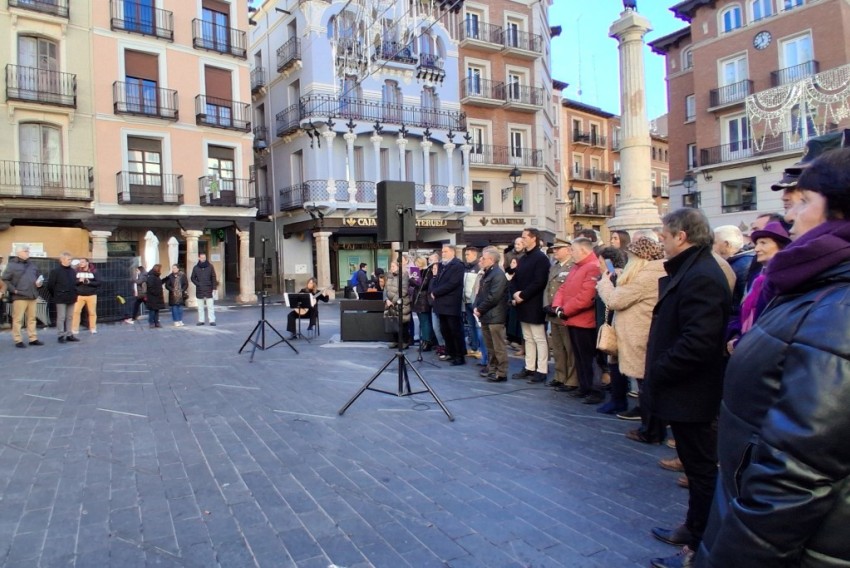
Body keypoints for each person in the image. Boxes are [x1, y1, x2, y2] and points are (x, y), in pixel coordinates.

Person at [696, 146, 850, 568]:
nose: (791, 217)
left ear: (839, 210)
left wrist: (736, 556)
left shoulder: (838, 305)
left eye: (803, 202)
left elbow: (799, 470)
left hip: (799, 542)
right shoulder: (815, 284)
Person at [643, 208, 732, 568]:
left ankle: (699, 544)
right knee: (696, 470)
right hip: (684, 390)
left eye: (664, 237)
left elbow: (698, 341)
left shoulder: (702, 275)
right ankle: (693, 528)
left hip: (691, 392)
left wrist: (659, 371)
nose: (661, 243)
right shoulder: (693, 270)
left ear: (681, 236)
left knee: (701, 470)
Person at [596, 237, 666, 415]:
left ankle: (648, 419)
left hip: (638, 332)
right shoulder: (647, 273)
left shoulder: (646, 276)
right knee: (629, 369)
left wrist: (604, 283)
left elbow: (615, 300)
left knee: (642, 376)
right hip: (630, 330)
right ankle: (638, 410)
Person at [725, 222, 790, 354]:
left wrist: (741, 342)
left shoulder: (784, 279)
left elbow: (770, 322)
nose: (756, 249)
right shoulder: (757, 278)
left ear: (781, 246)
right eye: (757, 243)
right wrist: (735, 334)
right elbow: (743, 312)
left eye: (763, 243)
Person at [550, 238, 601, 403]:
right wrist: (557, 306)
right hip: (572, 320)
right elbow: (563, 288)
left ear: (584, 251)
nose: (571, 253)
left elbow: (586, 297)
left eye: (573, 250)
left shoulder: (592, 267)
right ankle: (584, 387)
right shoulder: (577, 267)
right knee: (579, 357)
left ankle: (594, 390)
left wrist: (564, 310)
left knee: (588, 358)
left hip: (585, 322)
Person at [510, 228, 551, 383]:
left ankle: (541, 370)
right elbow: (515, 279)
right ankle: (529, 367)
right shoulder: (523, 258)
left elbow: (539, 282)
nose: (522, 239)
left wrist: (522, 295)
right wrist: (515, 293)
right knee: (527, 338)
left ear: (534, 238)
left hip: (534, 303)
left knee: (539, 338)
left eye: (525, 237)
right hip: (523, 303)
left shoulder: (541, 258)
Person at [544, 238, 578, 391]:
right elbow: (548, 287)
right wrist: (546, 304)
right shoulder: (555, 267)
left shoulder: (573, 266)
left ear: (568, 249)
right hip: (552, 312)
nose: (555, 251)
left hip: (564, 313)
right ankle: (560, 376)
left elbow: (570, 291)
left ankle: (572, 379)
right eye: (554, 248)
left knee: (569, 347)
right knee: (557, 347)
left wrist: (561, 308)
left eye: (558, 248)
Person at [473, 247, 509, 382]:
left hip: (495, 316)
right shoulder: (487, 273)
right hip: (487, 315)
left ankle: (502, 372)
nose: (480, 260)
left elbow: (494, 296)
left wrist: (480, 308)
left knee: (498, 346)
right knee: (490, 346)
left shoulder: (498, 274)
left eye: (483, 258)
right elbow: (480, 293)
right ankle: (492, 368)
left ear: (492, 260)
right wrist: (477, 306)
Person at [2, 244, 45, 348]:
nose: (28, 253)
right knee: (18, 319)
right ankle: (18, 340)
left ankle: (33, 338)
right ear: (19, 253)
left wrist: (39, 283)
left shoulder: (32, 265)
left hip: (32, 295)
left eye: (28, 251)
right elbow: (5, 279)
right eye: (26, 251)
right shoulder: (12, 265)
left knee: (32, 319)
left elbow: (39, 277)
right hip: (19, 296)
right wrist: (14, 290)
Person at [430, 243, 465, 366]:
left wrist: (436, 292)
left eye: (445, 252)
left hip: (451, 303)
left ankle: (459, 355)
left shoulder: (457, 265)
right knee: (445, 330)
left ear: (452, 252)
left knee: (454, 330)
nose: (443, 254)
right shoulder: (442, 266)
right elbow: (437, 280)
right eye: (442, 252)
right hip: (441, 303)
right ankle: (450, 352)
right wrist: (433, 290)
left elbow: (453, 283)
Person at [47, 252, 79, 343]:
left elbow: (74, 283)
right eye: (68, 259)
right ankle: (61, 335)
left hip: (71, 296)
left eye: (70, 259)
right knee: (61, 317)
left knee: (70, 317)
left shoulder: (73, 271)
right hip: (60, 297)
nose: (70, 261)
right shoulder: (55, 271)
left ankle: (69, 334)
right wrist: (56, 294)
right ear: (62, 260)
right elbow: (50, 285)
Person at [383, 258, 411, 349]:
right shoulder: (389, 275)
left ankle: (404, 342)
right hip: (389, 303)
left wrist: (393, 301)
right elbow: (385, 289)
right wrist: (386, 299)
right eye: (391, 266)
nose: (391, 268)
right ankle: (395, 341)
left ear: (398, 266)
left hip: (400, 303)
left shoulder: (404, 274)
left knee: (402, 322)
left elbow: (403, 290)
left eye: (393, 266)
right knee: (393, 321)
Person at [409, 256, 434, 351]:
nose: (415, 265)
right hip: (419, 299)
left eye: (416, 264)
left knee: (425, 322)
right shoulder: (420, 272)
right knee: (422, 321)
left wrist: (412, 280)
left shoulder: (427, 271)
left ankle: (427, 341)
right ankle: (424, 340)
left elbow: (422, 285)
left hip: (423, 300)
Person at [462, 247, 482, 358]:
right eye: (465, 254)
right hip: (466, 300)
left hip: (475, 301)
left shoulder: (478, 267)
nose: (466, 256)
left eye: (468, 254)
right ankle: (474, 348)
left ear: (474, 255)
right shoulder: (466, 267)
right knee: (471, 326)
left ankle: (480, 349)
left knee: (478, 326)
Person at [72, 258, 100, 335]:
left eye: (83, 262)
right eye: (80, 262)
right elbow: (72, 282)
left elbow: (98, 282)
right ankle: (74, 329)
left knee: (92, 312)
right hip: (79, 295)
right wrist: (79, 281)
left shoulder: (94, 271)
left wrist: (89, 282)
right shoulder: (76, 271)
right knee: (76, 312)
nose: (81, 263)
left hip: (91, 295)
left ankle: (93, 328)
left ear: (87, 263)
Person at [191, 253, 218, 326]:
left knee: (210, 306)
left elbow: (213, 277)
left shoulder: (210, 266)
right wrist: (198, 284)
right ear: (199, 258)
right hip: (199, 289)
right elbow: (192, 278)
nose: (203, 259)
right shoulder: (195, 268)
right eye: (202, 257)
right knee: (200, 307)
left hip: (209, 288)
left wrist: (214, 287)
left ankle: (212, 320)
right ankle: (201, 320)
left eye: (204, 257)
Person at [145, 264, 165, 328]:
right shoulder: (151, 276)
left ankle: (156, 322)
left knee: (156, 310)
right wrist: (156, 292)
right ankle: (151, 322)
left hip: (157, 296)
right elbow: (150, 287)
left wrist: (165, 279)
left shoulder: (156, 276)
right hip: (153, 296)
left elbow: (158, 283)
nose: (160, 270)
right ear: (157, 269)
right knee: (152, 310)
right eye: (160, 269)